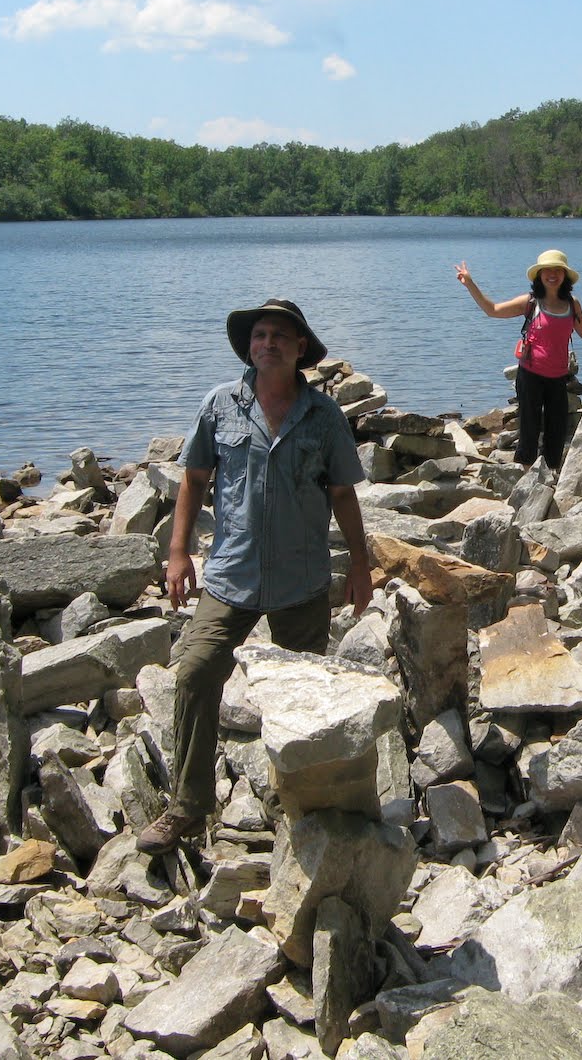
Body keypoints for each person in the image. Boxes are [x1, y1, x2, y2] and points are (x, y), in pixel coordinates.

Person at [136, 298, 373, 855]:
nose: (268, 343)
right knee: (195, 672)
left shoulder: (324, 416)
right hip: (231, 575)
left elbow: (342, 493)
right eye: (260, 335)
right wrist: (178, 553)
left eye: (280, 336)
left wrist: (361, 565)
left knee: (304, 695)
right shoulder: (220, 405)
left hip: (302, 580)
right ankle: (188, 808)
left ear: (299, 350)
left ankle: (300, 805)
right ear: (250, 346)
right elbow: (194, 480)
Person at [455, 249, 582, 470]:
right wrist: (470, 283)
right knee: (529, 428)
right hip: (530, 376)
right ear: (539, 274)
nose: (552, 275)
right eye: (547, 271)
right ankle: (525, 478)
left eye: (558, 271)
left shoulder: (572, 304)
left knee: (557, 430)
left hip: (558, 378)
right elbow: (493, 310)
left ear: (565, 275)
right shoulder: (531, 302)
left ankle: (550, 477)